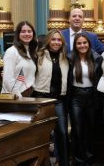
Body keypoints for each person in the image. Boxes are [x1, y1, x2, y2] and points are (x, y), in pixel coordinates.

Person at [33, 29, 69, 166]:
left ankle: (64, 162)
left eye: (59, 40)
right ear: (48, 41)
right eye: (53, 39)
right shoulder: (39, 56)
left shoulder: (66, 57)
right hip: (42, 99)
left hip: (59, 100)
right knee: (42, 135)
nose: (56, 42)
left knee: (62, 132)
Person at [67, 33, 103, 165]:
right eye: (79, 43)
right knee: (77, 129)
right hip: (76, 97)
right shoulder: (70, 58)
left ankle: (89, 158)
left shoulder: (96, 58)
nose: (82, 45)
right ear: (75, 46)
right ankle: (78, 159)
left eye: (84, 43)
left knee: (90, 128)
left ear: (89, 44)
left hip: (91, 96)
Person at [2, 21, 38, 97]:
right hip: (16, 96)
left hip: (29, 94)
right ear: (18, 34)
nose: (27, 34)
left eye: (29, 31)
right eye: (23, 31)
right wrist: (18, 96)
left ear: (33, 34)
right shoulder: (11, 51)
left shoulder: (31, 52)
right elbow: (7, 79)